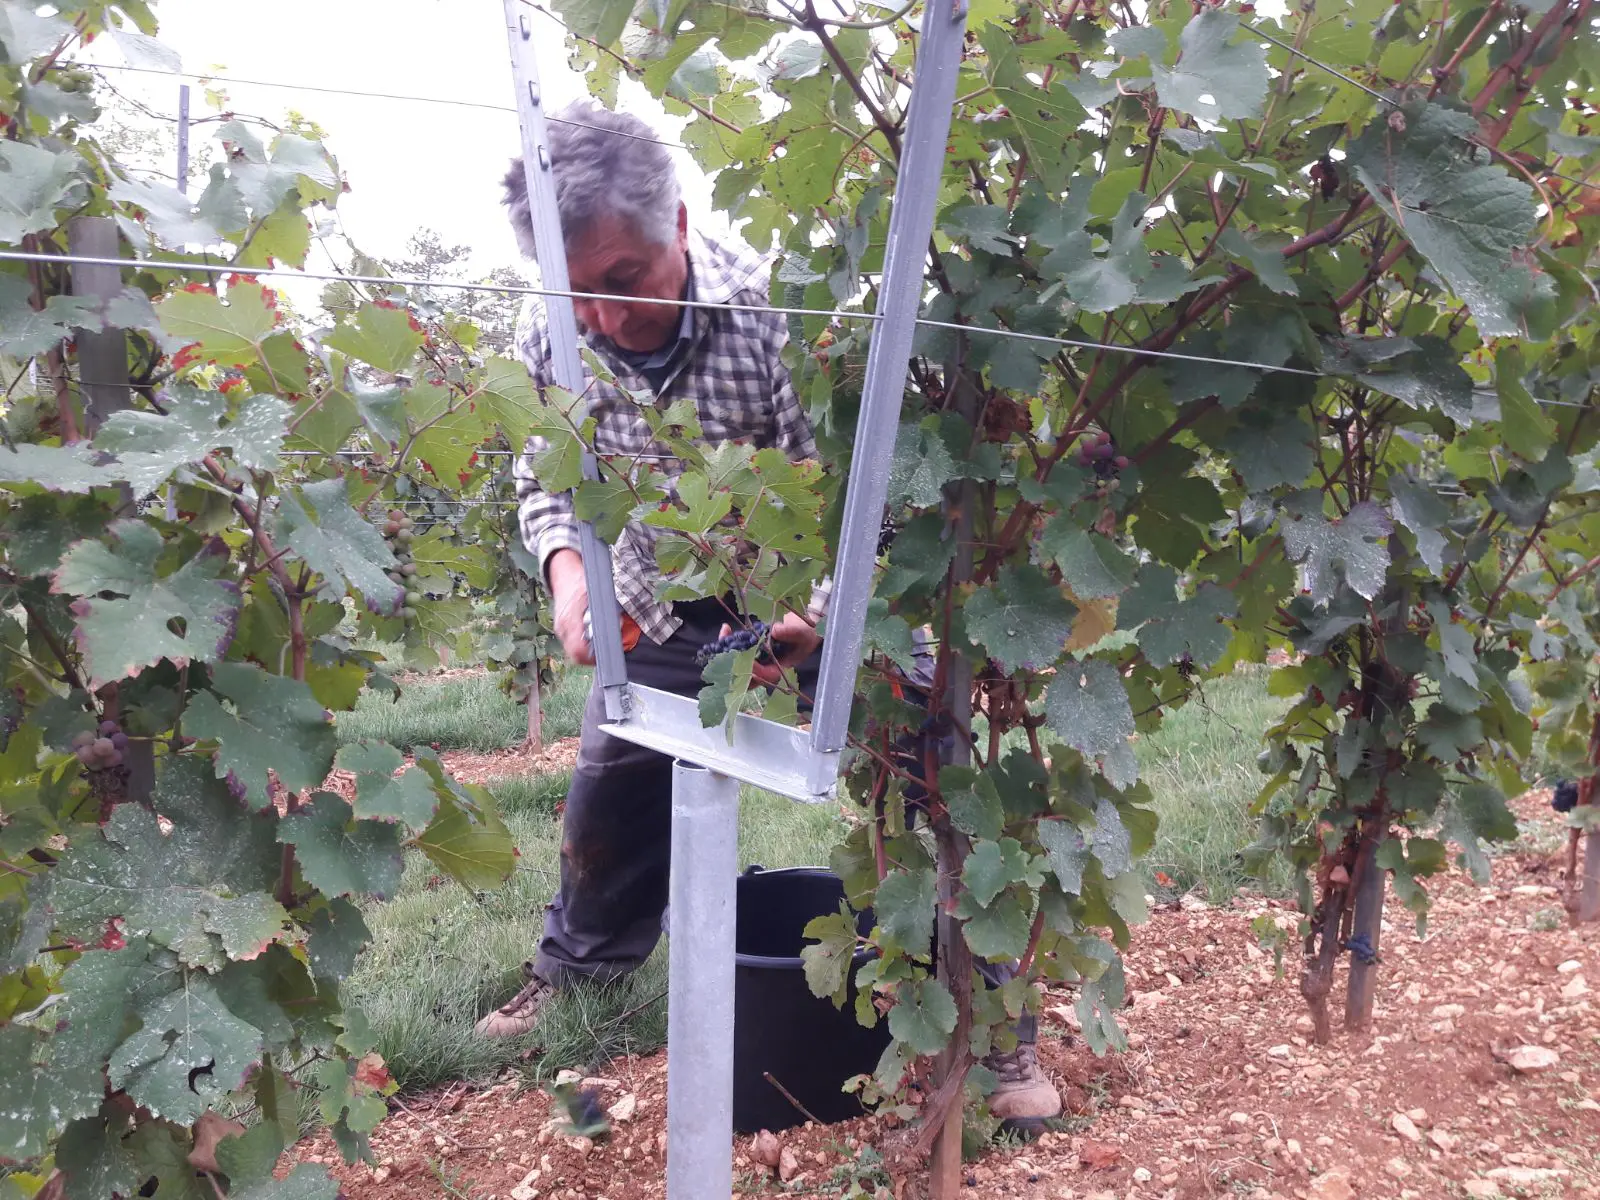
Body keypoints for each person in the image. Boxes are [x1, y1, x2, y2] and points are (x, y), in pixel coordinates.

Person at [478, 100, 1062, 1126]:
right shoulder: (548, 330)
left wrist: (818, 616)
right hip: (663, 595)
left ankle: (1000, 1031)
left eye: (626, 284)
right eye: (581, 298)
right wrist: (571, 570)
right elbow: (548, 478)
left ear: (683, 227)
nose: (606, 322)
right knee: (609, 800)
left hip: (810, 583)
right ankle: (574, 978)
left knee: (933, 757)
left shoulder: (775, 315)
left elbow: (865, 494)